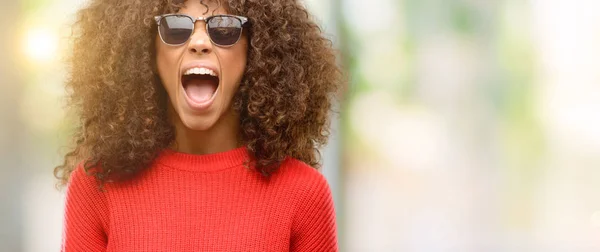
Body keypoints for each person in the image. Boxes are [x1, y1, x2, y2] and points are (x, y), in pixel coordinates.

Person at [54, 0, 342, 251]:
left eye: (225, 29)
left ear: (255, 52)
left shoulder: (304, 194)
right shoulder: (96, 187)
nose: (199, 42)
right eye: (176, 27)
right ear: (147, 52)